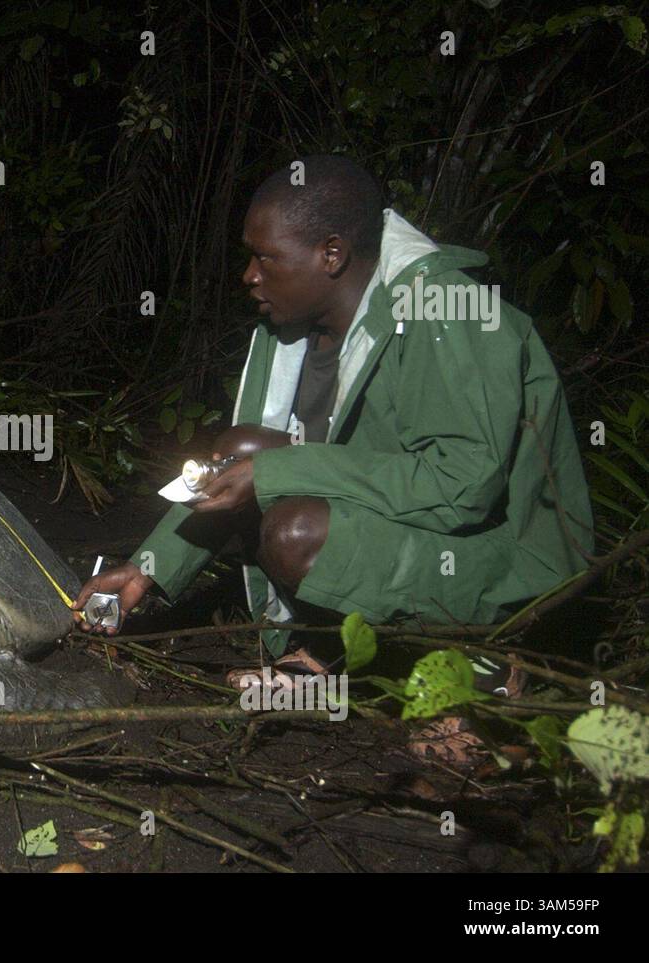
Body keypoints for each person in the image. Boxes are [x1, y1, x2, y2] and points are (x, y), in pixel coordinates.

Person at [76, 156, 593, 713]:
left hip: (506, 565)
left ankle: (488, 669)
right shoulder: (294, 329)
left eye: (265, 257)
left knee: (296, 529)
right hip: (407, 532)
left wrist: (275, 473)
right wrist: (149, 568)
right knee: (242, 451)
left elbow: (462, 487)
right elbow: (250, 472)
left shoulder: (449, 312)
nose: (248, 275)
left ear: (332, 254)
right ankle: (332, 651)